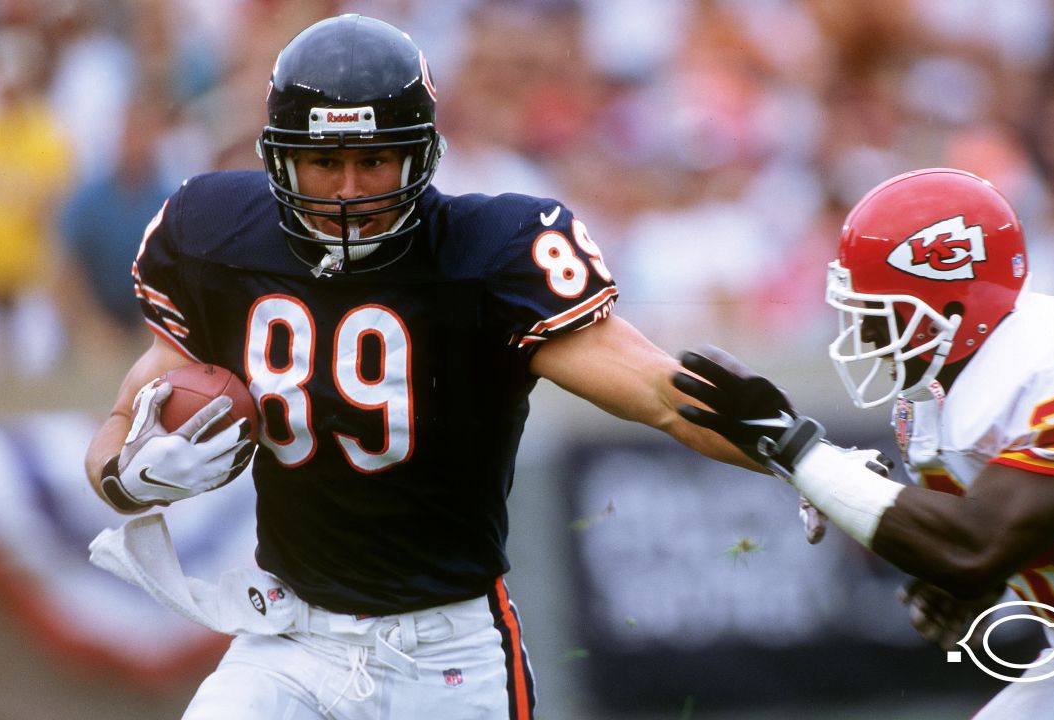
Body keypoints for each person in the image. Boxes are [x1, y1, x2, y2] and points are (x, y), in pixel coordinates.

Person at [82, 14, 749, 720]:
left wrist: (802, 458)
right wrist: (129, 478)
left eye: (372, 160)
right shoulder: (218, 235)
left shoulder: (486, 253)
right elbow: (125, 420)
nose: (347, 190)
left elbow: (658, 394)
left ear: (419, 156)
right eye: (323, 161)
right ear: (280, 159)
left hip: (448, 656)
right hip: (290, 641)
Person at [674, 168, 1054, 718]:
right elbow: (975, 548)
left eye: (883, 313)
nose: (866, 335)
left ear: (952, 303)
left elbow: (975, 547)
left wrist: (799, 451)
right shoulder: (930, 399)